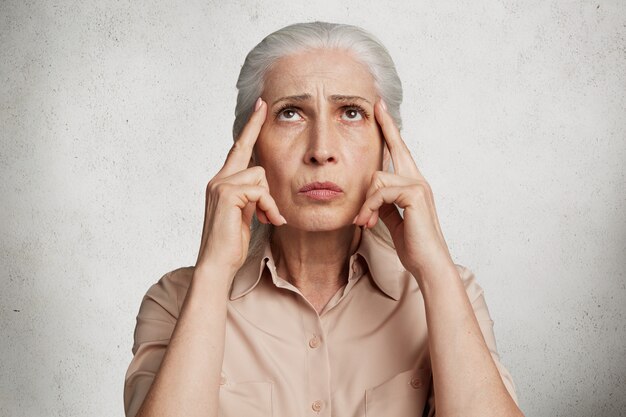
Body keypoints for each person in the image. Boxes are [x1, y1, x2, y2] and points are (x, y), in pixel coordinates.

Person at [124, 21, 524, 417]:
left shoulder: (449, 293)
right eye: (291, 114)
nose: (321, 150)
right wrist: (213, 272)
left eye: (351, 113)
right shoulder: (177, 300)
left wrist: (435, 269)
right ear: (250, 150)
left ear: (389, 147)